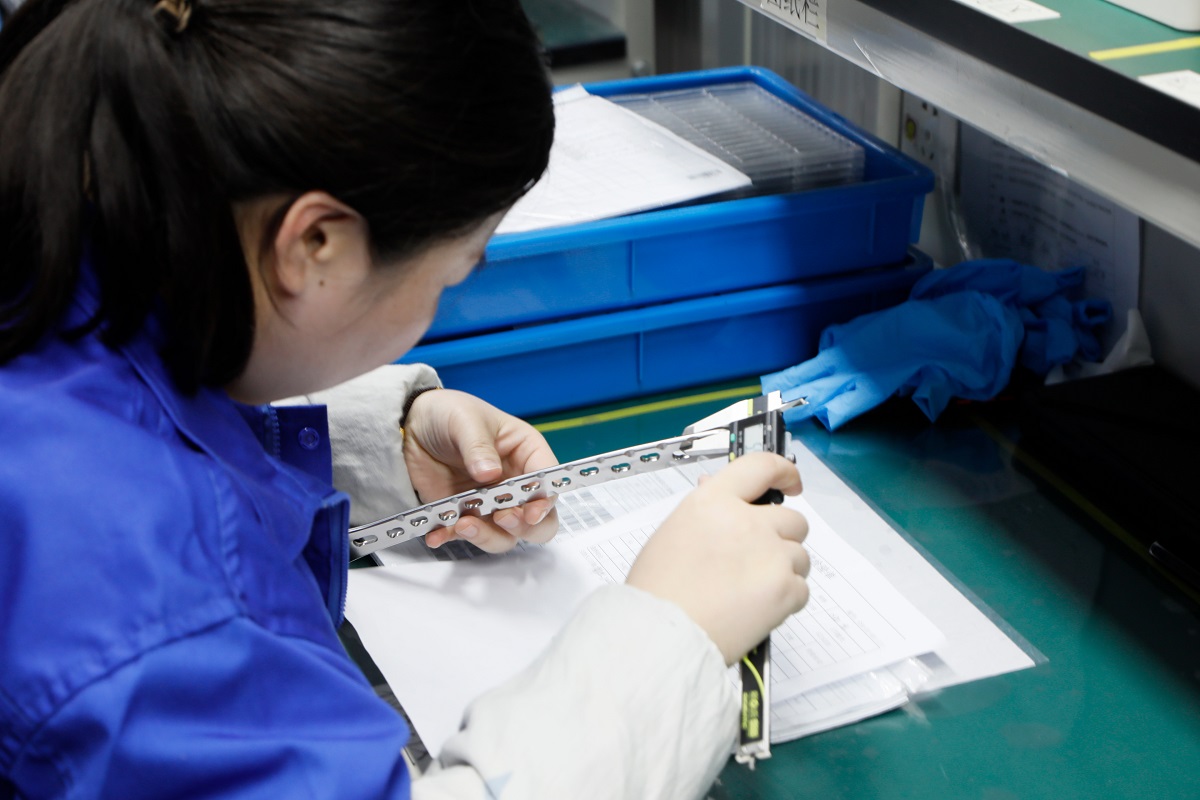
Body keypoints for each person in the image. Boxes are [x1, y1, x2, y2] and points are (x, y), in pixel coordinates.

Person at [0, 1, 812, 797]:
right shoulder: (162, 613)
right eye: (454, 272)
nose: (444, 298)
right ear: (315, 245)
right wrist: (668, 634)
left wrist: (374, 446)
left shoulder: (56, 249)